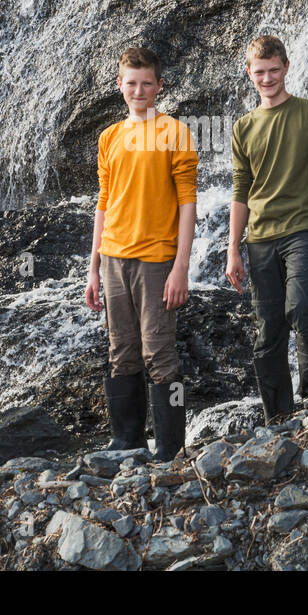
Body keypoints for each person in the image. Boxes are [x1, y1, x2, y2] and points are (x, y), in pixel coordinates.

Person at [84, 47, 198, 461]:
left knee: (159, 352)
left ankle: (170, 448)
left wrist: (180, 268)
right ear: (119, 85)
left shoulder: (174, 132)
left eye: (146, 82)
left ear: (159, 86)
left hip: (156, 260)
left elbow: (188, 203)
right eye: (131, 83)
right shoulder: (109, 137)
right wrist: (93, 269)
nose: (138, 90)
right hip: (113, 258)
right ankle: (127, 440)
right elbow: (103, 203)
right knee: (122, 349)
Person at [226, 34, 308, 422]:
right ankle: (277, 417)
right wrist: (232, 249)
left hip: (303, 230)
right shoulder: (243, 127)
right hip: (259, 238)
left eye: (274, 70)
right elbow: (241, 190)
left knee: (303, 308)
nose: (267, 78)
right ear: (249, 73)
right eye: (259, 72)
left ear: (286, 68)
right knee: (268, 330)